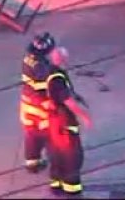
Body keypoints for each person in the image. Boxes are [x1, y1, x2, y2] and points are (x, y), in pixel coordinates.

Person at [46, 46, 94, 197]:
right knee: (72, 158)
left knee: (57, 155)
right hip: (64, 123)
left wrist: (76, 96)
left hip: (55, 122)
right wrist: (84, 116)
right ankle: (73, 192)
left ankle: (56, 186)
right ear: (62, 59)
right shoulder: (58, 78)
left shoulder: (52, 72)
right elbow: (67, 101)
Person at [19, 32, 57, 173]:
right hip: (40, 105)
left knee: (31, 134)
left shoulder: (28, 58)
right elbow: (46, 85)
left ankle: (32, 162)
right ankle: (57, 160)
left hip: (27, 102)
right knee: (48, 133)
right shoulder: (41, 65)